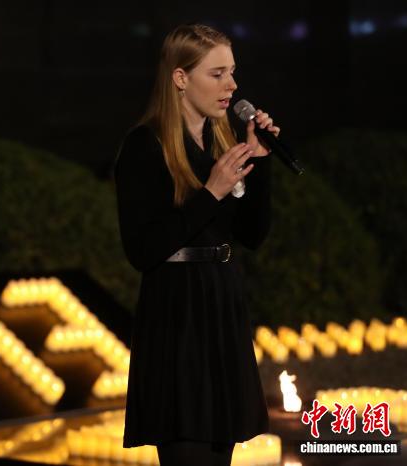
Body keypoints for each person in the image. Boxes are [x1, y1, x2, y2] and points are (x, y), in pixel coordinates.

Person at [113, 23, 280, 466]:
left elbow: (252, 235)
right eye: (218, 73)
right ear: (181, 78)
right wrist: (211, 192)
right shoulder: (144, 146)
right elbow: (143, 250)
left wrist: (259, 163)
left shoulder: (220, 143)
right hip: (177, 313)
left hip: (221, 304)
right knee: (187, 447)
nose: (232, 85)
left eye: (232, 72)